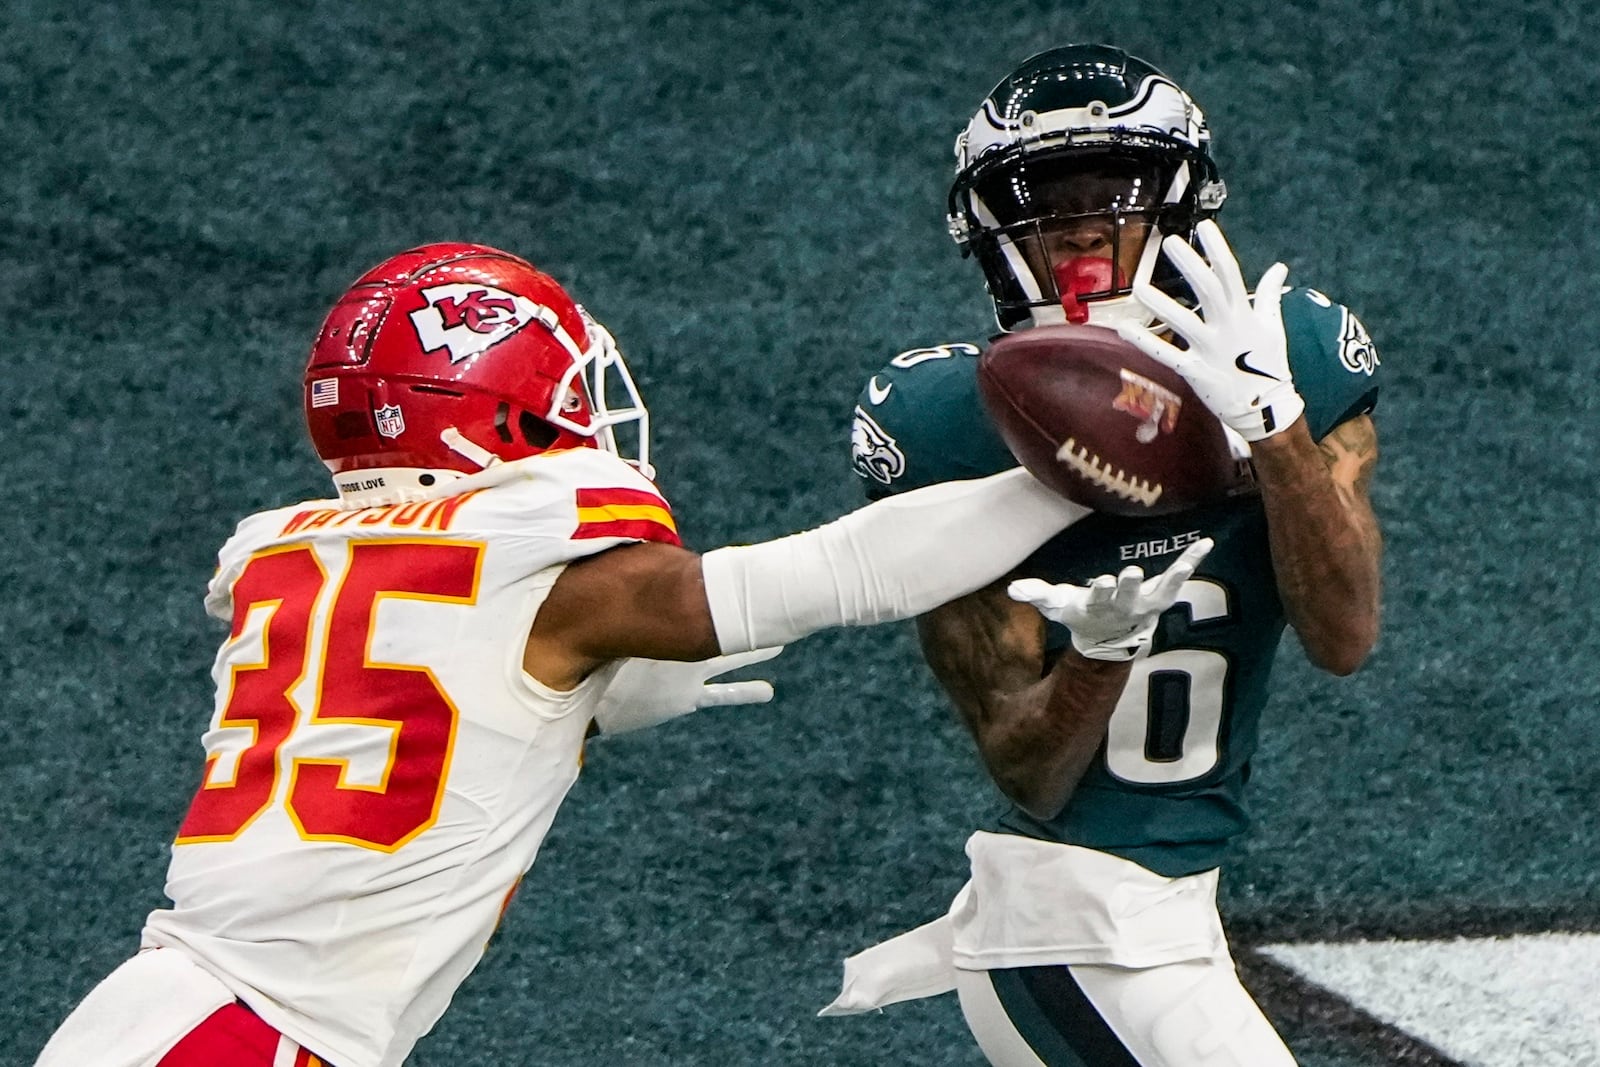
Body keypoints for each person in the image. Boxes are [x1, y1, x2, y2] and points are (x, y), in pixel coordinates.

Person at [32, 241, 1202, 1067]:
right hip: (261, 1035)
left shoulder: (298, 553)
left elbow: (417, 696)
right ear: (493, 404)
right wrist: (1080, 465)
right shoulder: (536, 564)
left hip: (191, 1012)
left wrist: (581, 704)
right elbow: (844, 572)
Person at [826, 44, 1382, 1065]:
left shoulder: (1291, 357)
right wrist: (1097, 652)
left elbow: (1344, 633)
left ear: (1179, 208)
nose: (1078, 225)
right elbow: (1026, 767)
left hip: (1174, 922)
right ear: (989, 234)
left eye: (1109, 192)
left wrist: (1270, 424)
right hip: (1063, 929)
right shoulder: (942, 424)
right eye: (1041, 198)